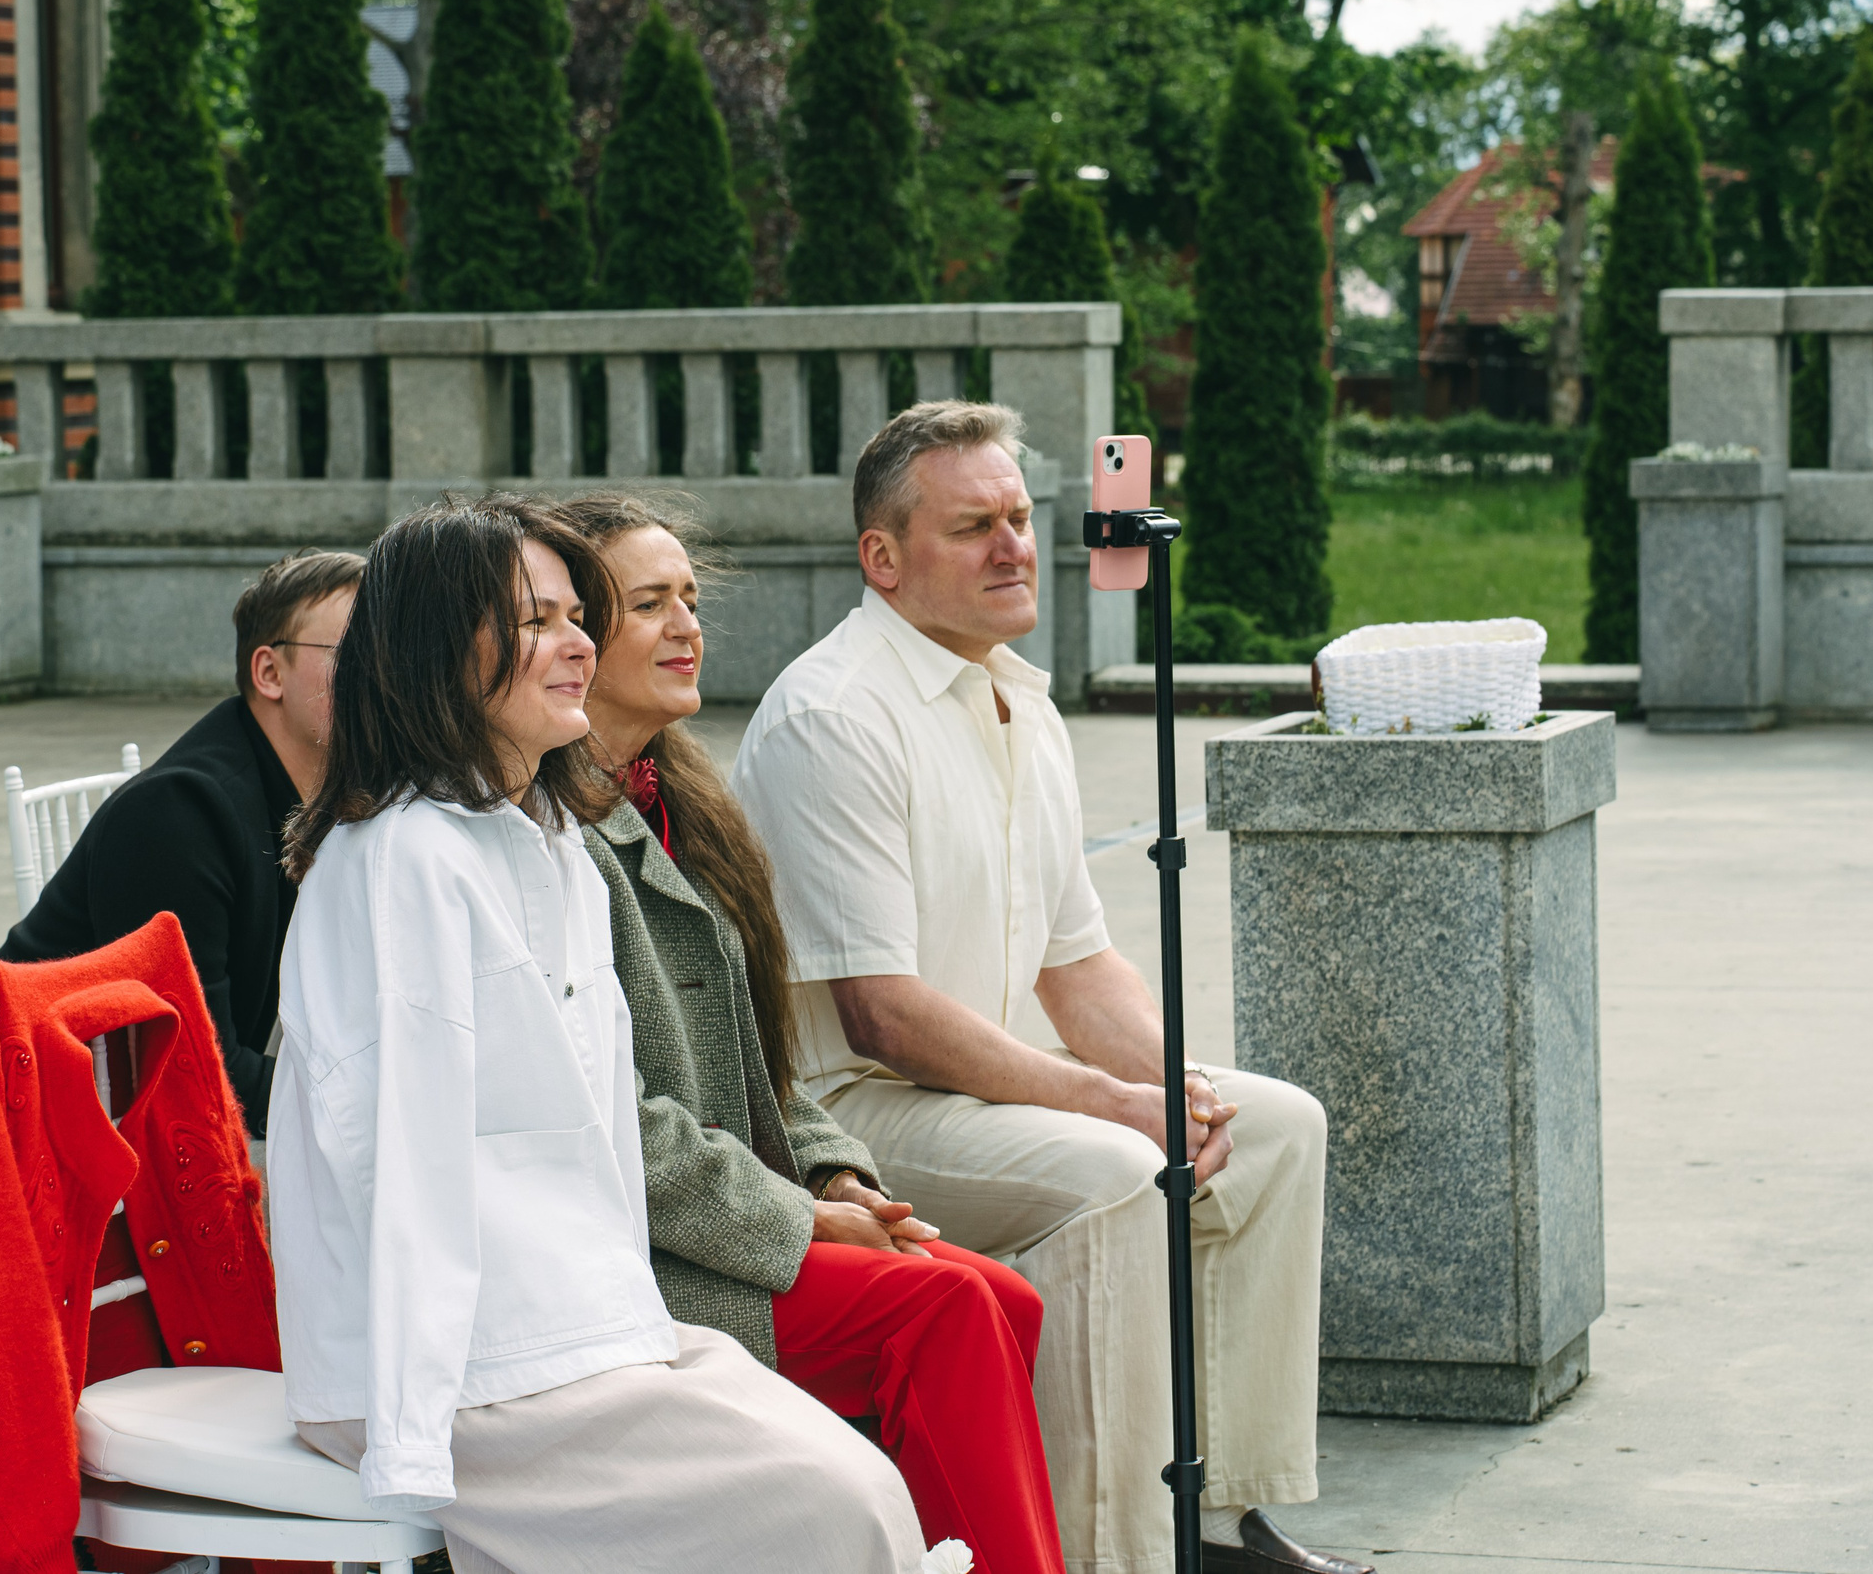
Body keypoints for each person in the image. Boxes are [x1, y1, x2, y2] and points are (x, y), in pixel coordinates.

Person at [731, 404, 1367, 1574]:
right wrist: (1116, 1107)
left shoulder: (1022, 696)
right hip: (851, 1113)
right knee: (1122, 1174)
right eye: (973, 526)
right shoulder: (832, 717)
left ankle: (1215, 1519)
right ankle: (1102, 1548)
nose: (1014, 547)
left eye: (1019, 518)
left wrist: (1175, 1086)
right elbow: (885, 1015)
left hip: (981, 1085)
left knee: (1272, 1128)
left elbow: (1078, 967)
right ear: (883, 557)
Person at [267, 495, 930, 1574]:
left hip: (584, 1322)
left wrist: (636, 1330)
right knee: (825, 1508)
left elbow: (595, 1131)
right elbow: (401, 1158)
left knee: (855, 1488)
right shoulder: (401, 861)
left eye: (578, 617)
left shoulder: (550, 840)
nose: (577, 644)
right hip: (469, 1367)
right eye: (536, 622)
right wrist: (411, 1435)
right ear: (436, 649)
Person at [560, 494, 1067, 1574]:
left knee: (1003, 1298)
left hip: (743, 1207)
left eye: (689, 598)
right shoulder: (546, 835)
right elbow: (600, 1118)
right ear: (570, 636)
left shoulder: (681, 800)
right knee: (941, 1314)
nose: (687, 625)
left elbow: (763, 1056)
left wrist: (835, 1178)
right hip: (643, 1250)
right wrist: (798, 1219)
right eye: (647, 604)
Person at [0, 548, 361, 1136]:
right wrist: (366, 1110)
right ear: (269, 673)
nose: (383, 674)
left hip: (152, 1128)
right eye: (354, 651)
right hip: (47, 1130)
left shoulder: (328, 797)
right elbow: (187, 1065)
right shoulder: (181, 812)